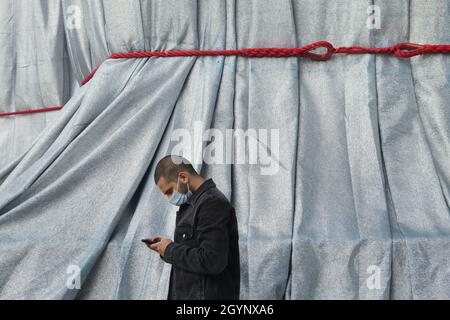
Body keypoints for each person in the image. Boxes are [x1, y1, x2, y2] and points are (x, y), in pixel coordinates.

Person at [144, 155, 240, 300]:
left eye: (169, 191)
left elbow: (212, 261)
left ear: (183, 177)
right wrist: (164, 247)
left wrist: (170, 249)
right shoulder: (192, 206)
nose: (169, 198)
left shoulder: (211, 203)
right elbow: (195, 252)